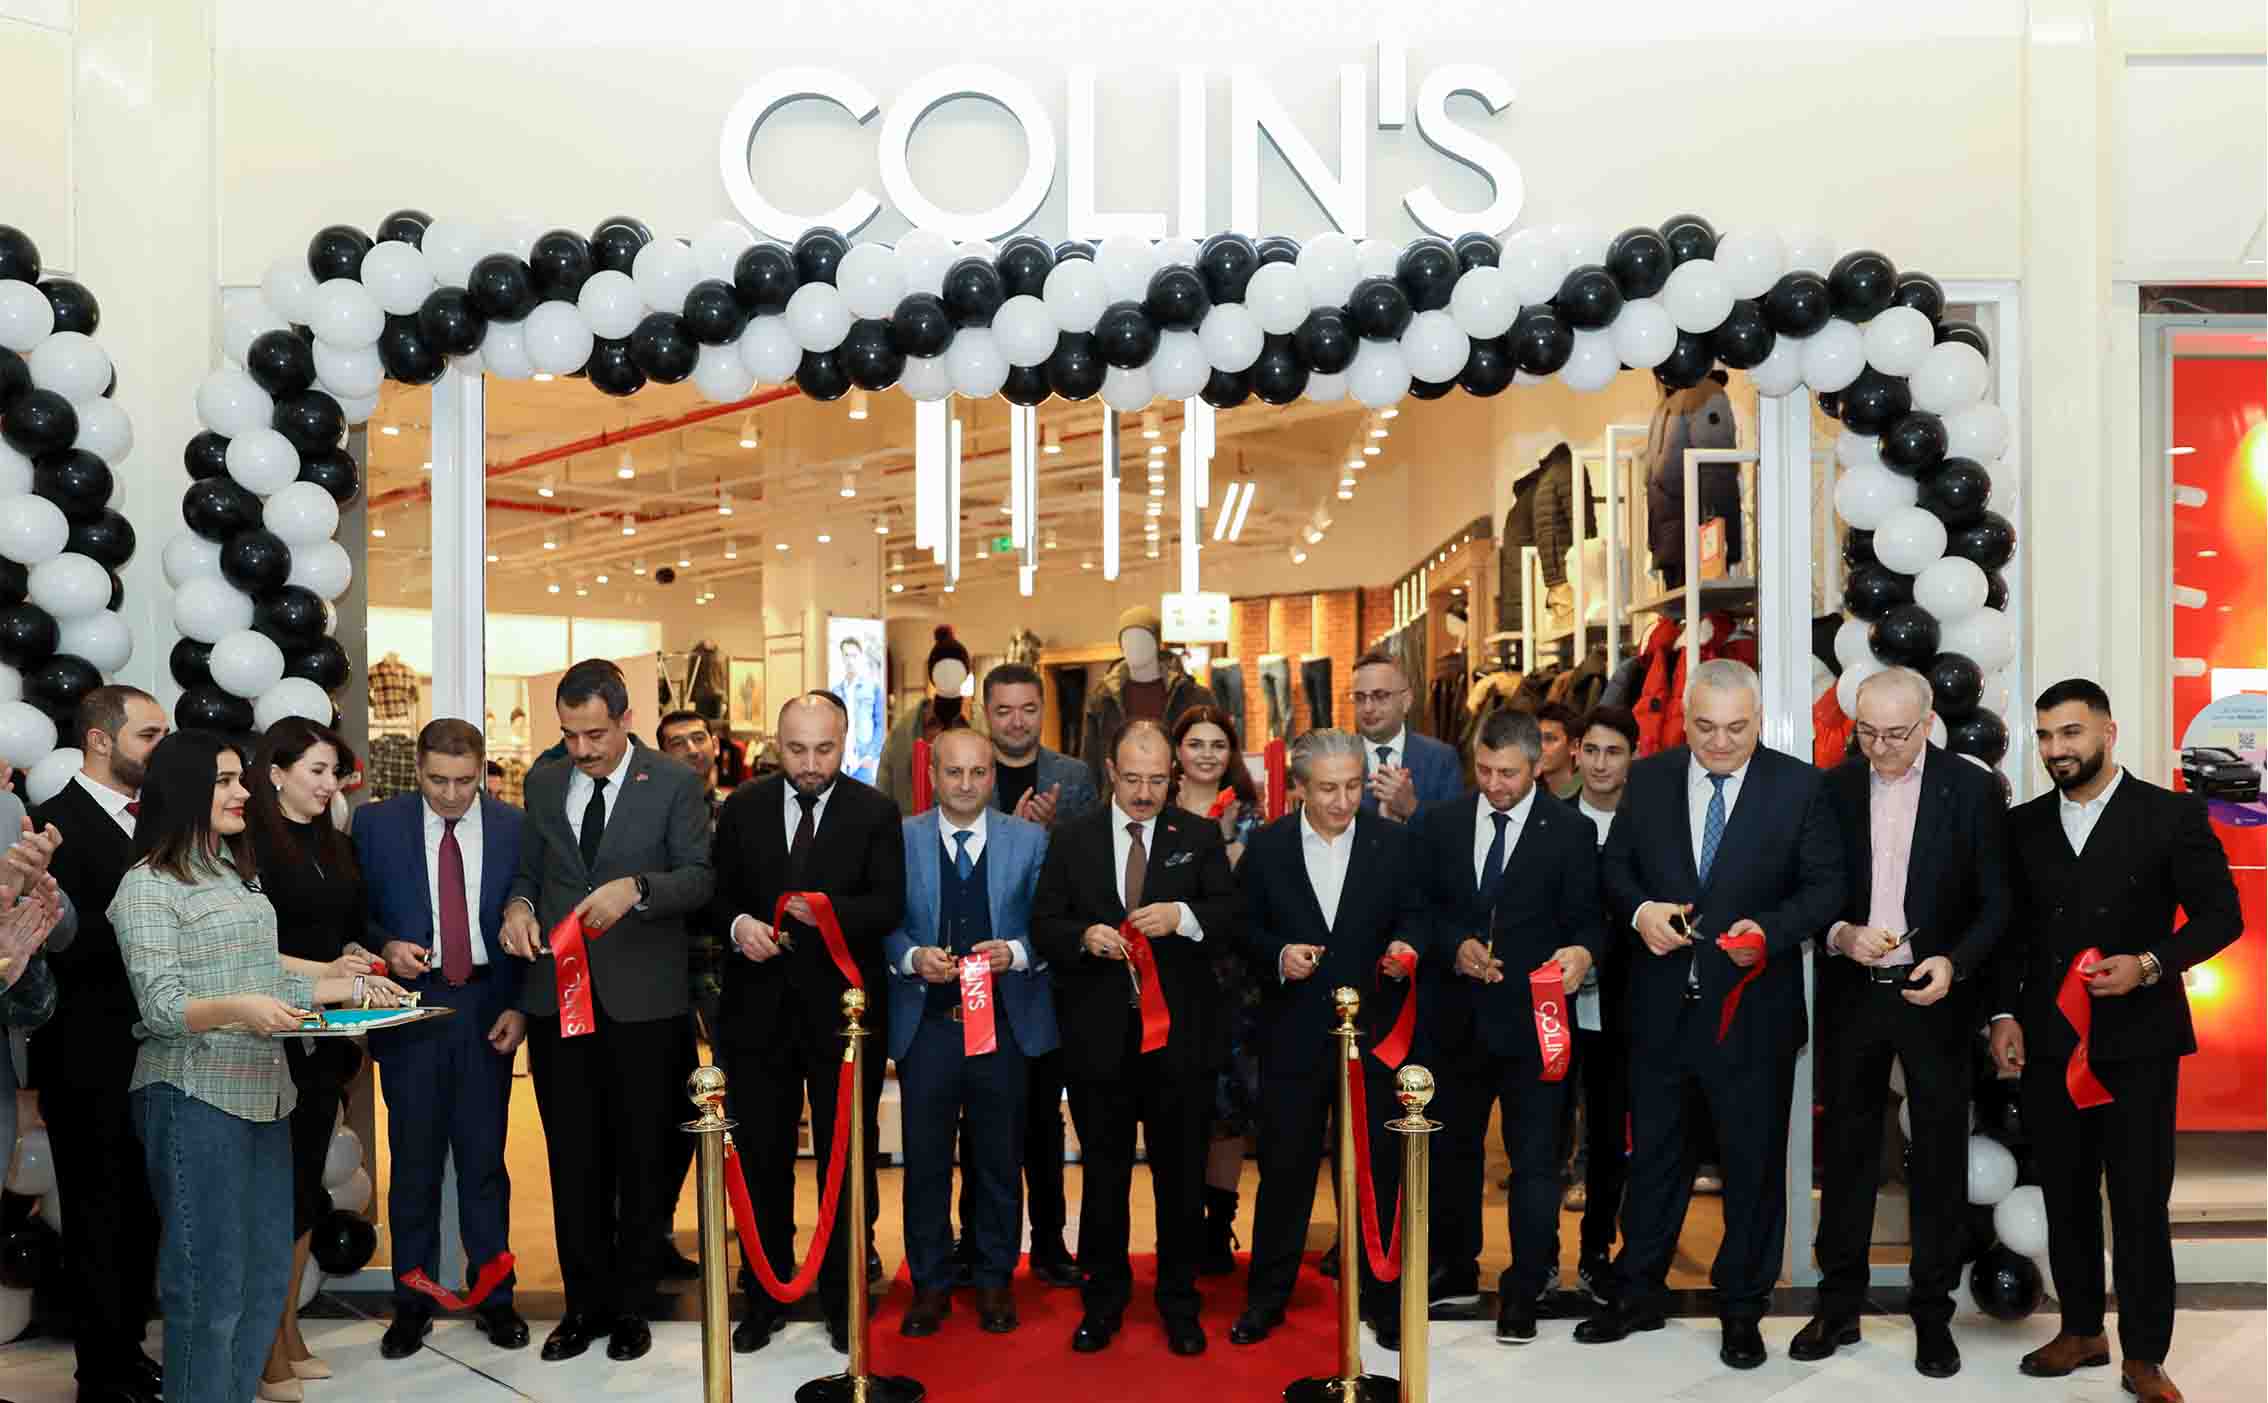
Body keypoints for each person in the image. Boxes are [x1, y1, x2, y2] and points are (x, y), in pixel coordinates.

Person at [111, 731, 407, 1403]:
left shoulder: (230, 870)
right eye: (224, 781)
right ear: (184, 789)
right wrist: (241, 1008)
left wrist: (348, 988)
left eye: (239, 779)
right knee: (207, 1286)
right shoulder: (147, 886)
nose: (242, 791)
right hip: (193, 1096)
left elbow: (262, 972)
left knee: (265, 1277)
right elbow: (162, 1007)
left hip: (268, 1096)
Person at [1576, 658, 1841, 1370]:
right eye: (1705, 727)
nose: (1720, 743)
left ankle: (1743, 1308)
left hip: (1753, 1016)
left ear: (1759, 721)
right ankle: (1638, 1291)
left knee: (1752, 1167)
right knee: (1655, 1158)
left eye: (1736, 728)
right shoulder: (1651, 779)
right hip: (1660, 1011)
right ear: (1684, 721)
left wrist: (1769, 933)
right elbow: (1616, 869)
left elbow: (1825, 889)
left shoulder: (1800, 786)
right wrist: (1641, 912)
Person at [1987, 679, 2241, 1403]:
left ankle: (2146, 1355)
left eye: (2070, 732)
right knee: (2066, 1195)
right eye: (2044, 736)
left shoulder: (2171, 815)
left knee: (2138, 1202)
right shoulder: (2022, 825)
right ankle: (2080, 1330)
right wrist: (2002, 1014)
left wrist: (2151, 963)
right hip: (2049, 1043)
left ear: (2108, 732)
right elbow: (2011, 935)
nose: (2056, 749)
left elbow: (2221, 916)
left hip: (2141, 1044)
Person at [496, 659, 715, 1365]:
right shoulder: (543, 781)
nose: (582, 749)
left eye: (594, 733)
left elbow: (700, 878)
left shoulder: (674, 783)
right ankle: (581, 1306)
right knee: (574, 1159)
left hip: (644, 1004)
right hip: (558, 1003)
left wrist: (638, 890)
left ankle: (631, 1307)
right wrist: (519, 906)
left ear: (625, 719)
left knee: (642, 1158)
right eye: (570, 734)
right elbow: (530, 871)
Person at [1795, 667, 2010, 1378]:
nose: (1880, 747)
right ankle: (1838, 1304)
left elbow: (1997, 902)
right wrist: (1839, 933)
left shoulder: (1971, 789)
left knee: (1939, 1156)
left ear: (1927, 724)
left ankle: (1932, 1314)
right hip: (1853, 992)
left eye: (1895, 734)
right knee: (1847, 1152)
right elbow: (1810, 889)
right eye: (1867, 732)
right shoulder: (1831, 788)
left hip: (1934, 994)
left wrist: (1954, 963)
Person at [1033, 719, 1241, 1357]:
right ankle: (1103, 1302)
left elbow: (1231, 918)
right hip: (1098, 1041)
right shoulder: (1072, 838)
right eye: (1132, 779)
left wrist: (1184, 917)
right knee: (1104, 1180)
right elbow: (1044, 922)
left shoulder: (1197, 836)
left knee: (1180, 1181)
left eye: (1156, 780)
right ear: (1109, 772)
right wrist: (1082, 937)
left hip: (1180, 1042)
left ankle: (1179, 1303)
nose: (1145, 793)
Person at [712, 694, 905, 1355]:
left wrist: (822, 911)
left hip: (842, 1018)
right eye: (797, 749)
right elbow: (717, 896)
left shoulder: (875, 812)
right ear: (778, 743)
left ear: (844, 743)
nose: (811, 763)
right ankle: (764, 1295)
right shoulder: (742, 807)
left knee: (845, 1158)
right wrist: (740, 926)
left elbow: (888, 905)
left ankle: (845, 1296)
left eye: (825, 749)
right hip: (756, 1013)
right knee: (761, 1158)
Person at [1410, 709, 1601, 1345]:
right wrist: (1454, 946)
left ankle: (1525, 1284)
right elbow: (1418, 909)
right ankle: (1456, 1268)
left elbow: (1589, 922)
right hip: (1455, 1021)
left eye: (1508, 774)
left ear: (1538, 767)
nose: (1494, 784)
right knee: (1453, 1152)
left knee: (1536, 1161)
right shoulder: (1439, 824)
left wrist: (1582, 955)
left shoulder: (1570, 832)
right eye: (1485, 770)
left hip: (1535, 1026)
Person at [1226, 728, 1421, 1348]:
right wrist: (1278, 955)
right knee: (1285, 1171)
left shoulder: (1394, 844)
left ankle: (1383, 1301)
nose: (1343, 801)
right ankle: (1267, 1298)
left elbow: (1417, 916)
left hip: (1378, 1037)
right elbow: (1240, 928)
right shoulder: (1269, 847)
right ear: (1301, 789)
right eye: (1329, 788)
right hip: (1293, 1034)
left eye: (1354, 787)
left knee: (1378, 1170)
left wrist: (1405, 947)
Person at [353, 719, 530, 1360]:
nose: (451, 795)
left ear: (480, 770)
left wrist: (520, 1007)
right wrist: (385, 947)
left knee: (484, 1162)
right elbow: (354, 911)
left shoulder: (514, 827)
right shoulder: (376, 825)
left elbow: (532, 909)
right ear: (417, 770)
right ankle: (412, 1303)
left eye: (463, 781)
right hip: (412, 1006)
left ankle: (496, 1297)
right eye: (437, 781)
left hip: (486, 1005)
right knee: (414, 1163)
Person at [885, 727, 1055, 1337]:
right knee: (926, 1162)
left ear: (993, 776)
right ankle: (930, 1284)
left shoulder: (1030, 840)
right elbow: (882, 920)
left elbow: (1054, 922)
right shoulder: (900, 838)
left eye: (978, 772)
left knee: (999, 1161)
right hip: (928, 1027)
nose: (965, 784)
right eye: (954, 772)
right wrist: (911, 958)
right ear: (933, 776)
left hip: (1003, 1028)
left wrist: (1017, 951)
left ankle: (993, 1280)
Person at [30, 685, 171, 1403]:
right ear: (99, 740)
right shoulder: (50, 827)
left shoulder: (159, 822)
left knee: (142, 1213)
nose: (160, 748)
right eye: (149, 735)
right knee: (97, 1216)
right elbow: (53, 946)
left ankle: (127, 1352)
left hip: (157, 1052)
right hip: (86, 1055)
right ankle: (100, 1373)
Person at [244, 718, 381, 1400]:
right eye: (317, 771)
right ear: (276, 772)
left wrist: (358, 959)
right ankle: (265, 1347)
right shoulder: (246, 847)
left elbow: (345, 932)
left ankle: (289, 1332)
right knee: (274, 1193)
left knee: (302, 1188)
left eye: (335, 773)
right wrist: (330, 970)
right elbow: (249, 951)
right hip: (270, 1037)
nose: (331, 785)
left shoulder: (333, 842)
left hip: (325, 1038)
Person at [977, 661, 1095, 1287]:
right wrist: (1012, 837)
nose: (1017, 722)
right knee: (980, 1118)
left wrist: (1047, 837)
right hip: (977, 970)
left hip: (1048, 973)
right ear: (986, 713)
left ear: (1042, 711)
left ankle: (1050, 1242)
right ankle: (977, 1241)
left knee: (1045, 1120)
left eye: (1028, 709)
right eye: (1004, 710)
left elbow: (1094, 865)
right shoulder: (969, 771)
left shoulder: (1072, 777)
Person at [1170, 703, 1268, 1277]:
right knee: (1179, 1104)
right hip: (1172, 977)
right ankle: (1180, 1218)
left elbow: (1242, 896)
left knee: (1229, 1108)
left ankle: (1218, 1222)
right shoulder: (1157, 806)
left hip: (1235, 981)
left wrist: (1227, 838)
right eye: (1195, 743)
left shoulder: (1251, 816)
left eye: (1218, 744)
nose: (1207, 754)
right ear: (1177, 751)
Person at [1562, 704, 1638, 1297]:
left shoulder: (1649, 823)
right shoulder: (1552, 821)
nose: (1600, 763)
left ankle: (1597, 1248)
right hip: (1556, 1000)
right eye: (1591, 750)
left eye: (1614, 751)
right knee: (1547, 1130)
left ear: (1633, 757)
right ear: (1575, 753)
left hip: (1628, 1003)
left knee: (1611, 1130)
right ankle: (1538, 1256)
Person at [655, 706, 728, 1282]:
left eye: (698, 738)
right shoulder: (652, 815)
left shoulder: (740, 811)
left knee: (741, 1105)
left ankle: (753, 1233)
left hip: (730, 973)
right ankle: (655, 1232)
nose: (691, 749)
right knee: (667, 1110)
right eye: (676, 742)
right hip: (666, 976)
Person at [1077, 605, 1219, 793]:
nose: (1134, 647)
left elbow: (1217, 754)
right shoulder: (1102, 700)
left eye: (1143, 639)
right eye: (1127, 640)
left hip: (1180, 800)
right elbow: (1090, 764)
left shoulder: (1193, 696)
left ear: (1156, 644)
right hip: (1118, 803)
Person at [1350, 648, 1465, 820]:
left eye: (1380, 696)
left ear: (1406, 701)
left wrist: (1412, 808)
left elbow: (1454, 833)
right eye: (1359, 697)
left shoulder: (1441, 760)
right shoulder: (1334, 759)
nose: (1368, 708)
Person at [881, 625, 976, 814]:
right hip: (913, 824)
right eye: (941, 668)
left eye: (956, 668)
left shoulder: (981, 725)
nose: (948, 674)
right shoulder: (904, 730)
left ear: (966, 673)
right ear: (932, 674)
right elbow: (885, 786)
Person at [836, 635, 886, 786]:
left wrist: (871, 755)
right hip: (841, 763)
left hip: (863, 761)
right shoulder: (836, 691)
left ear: (860, 657)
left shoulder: (873, 688)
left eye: (854, 656)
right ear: (842, 658)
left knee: (866, 798)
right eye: (846, 655)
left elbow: (880, 725)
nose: (850, 660)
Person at [1535, 701, 1584, 801]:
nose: (1540, 746)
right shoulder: (1527, 790)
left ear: (1574, 747)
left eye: (1549, 739)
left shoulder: (1589, 795)